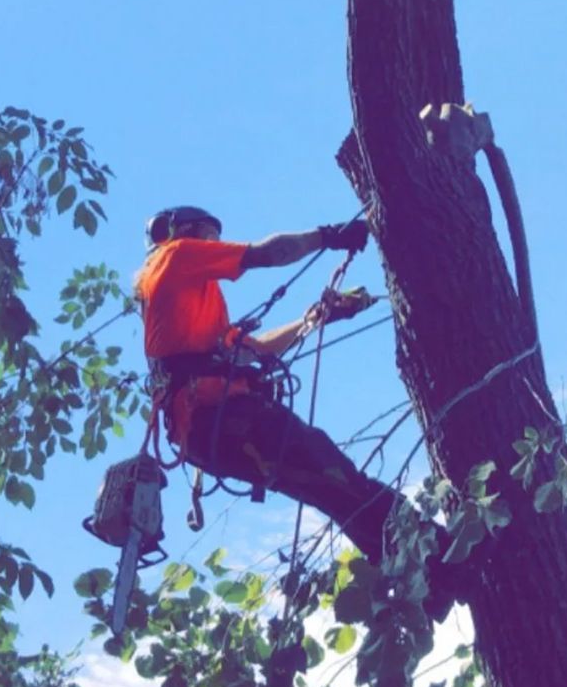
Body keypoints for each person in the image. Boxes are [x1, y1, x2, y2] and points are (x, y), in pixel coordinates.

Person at [135, 204, 398, 564]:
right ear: (181, 231)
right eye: (210, 237)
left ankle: (419, 573)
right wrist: (329, 235)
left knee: (329, 490)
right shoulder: (175, 256)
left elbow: (252, 351)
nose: (215, 245)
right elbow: (267, 254)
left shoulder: (187, 312)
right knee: (329, 466)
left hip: (207, 433)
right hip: (219, 417)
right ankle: (432, 546)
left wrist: (316, 319)